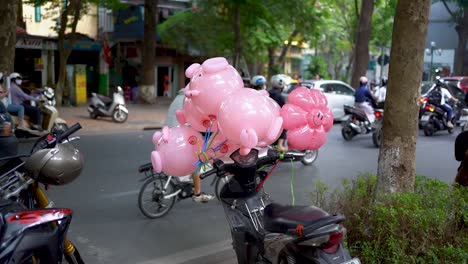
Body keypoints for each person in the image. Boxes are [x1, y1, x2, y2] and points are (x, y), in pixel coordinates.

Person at [163, 85, 215, 203]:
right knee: (197, 161)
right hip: (178, 136)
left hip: (167, 134)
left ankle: (184, 179)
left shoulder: (178, 97)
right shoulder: (188, 101)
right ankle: (197, 193)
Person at [269, 75, 288, 152]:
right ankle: (280, 145)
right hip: (275, 120)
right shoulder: (280, 97)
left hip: (266, 118)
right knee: (286, 125)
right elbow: (285, 110)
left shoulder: (268, 93)